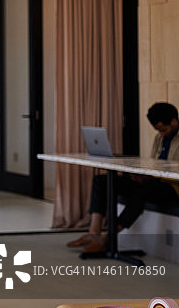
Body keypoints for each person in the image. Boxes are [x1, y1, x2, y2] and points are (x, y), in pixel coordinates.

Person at [67, 102, 179, 253]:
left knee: (142, 191)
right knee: (101, 181)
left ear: (173, 121)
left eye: (163, 130)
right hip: (154, 182)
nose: (161, 134)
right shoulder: (159, 138)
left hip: (173, 188)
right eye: (158, 130)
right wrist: (143, 175)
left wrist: (149, 179)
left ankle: (108, 238)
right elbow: (155, 164)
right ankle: (93, 232)